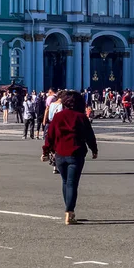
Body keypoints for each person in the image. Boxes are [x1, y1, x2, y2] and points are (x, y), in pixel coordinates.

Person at [41, 90, 98, 225]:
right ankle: (70, 212)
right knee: (72, 183)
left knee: (65, 182)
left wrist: (45, 151)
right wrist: (94, 150)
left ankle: (68, 210)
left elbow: (50, 136)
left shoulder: (58, 116)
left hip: (60, 154)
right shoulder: (81, 117)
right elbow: (90, 136)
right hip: (76, 154)